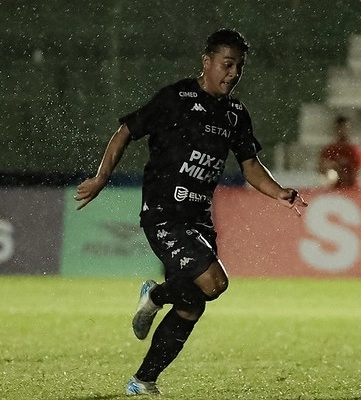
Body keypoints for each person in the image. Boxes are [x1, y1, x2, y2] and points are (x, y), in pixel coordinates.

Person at [74, 28, 308, 395]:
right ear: (207, 62)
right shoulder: (176, 98)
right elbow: (125, 131)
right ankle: (155, 297)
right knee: (215, 283)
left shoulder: (235, 114)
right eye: (227, 64)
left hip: (199, 219)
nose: (233, 73)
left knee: (191, 304)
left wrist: (278, 192)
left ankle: (143, 380)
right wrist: (102, 177)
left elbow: (249, 164)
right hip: (163, 213)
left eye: (239, 67)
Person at [317, 115, 361, 189]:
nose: (342, 131)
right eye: (340, 128)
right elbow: (321, 169)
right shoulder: (329, 149)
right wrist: (326, 168)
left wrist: (336, 166)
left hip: (351, 190)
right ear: (335, 129)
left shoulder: (354, 150)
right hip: (333, 191)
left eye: (345, 128)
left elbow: (354, 171)